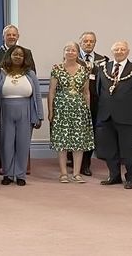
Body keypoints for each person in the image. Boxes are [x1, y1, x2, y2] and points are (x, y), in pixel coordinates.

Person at [0, 45, 42, 186]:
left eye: (21, 55)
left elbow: (36, 95)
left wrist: (39, 116)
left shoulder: (30, 74)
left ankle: (20, 175)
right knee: (6, 143)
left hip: (26, 111)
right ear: (9, 55)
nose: (18, 57)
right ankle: (7, 173)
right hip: (4, 111)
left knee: (23, 144)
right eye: (15, 54)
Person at [96, 41, 132, 190]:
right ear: (112, 51)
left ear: (128, 51)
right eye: (116, 49)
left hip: (128, 116)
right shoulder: (104, 68)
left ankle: (130, 177)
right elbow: (99, 91)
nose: (119, 51)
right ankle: (114, 175)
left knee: (129, 150)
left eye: (122, 49)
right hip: (106, 115)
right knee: (109, 149)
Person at [47, 42, 94, 183]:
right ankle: (63, 173)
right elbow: (51, 91)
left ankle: (76, 173)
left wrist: (88, 110)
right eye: (68, 50)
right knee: (62, 142)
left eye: (74, 50)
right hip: (61, 109)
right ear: (64, 52)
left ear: (77, 53)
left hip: (79, 109)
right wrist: (51, 110)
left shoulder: (84, 70)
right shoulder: (57, 69)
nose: (71, 52)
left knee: (78, 142)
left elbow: (86, 92)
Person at [77, 31, 108, 176]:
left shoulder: (103, 60)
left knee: (91, 132)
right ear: (80, 42)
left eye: (91, 41)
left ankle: (86, 164)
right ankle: (74, 160)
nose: (88, 43)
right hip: (77, 101)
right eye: (85, 41)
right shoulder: (73, 58)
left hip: (97, 102)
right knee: (78, 132)